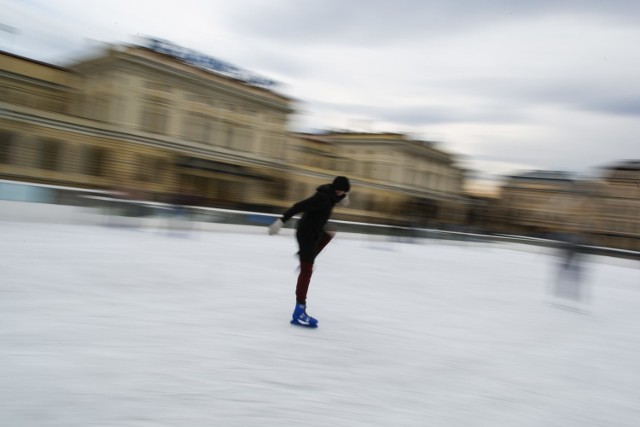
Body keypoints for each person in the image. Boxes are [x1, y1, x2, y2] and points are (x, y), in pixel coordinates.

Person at [268, 176, 351, 327]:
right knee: (307, 271)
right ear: (335, 188)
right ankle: (299, 311)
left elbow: (337, 195)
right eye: (340, 192)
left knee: (330, 231)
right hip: (306, 234)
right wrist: (281, 221)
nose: (341, 194)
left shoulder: (332, 195)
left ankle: (304, 256)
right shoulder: (322, 198)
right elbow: (298, 206)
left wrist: (343, 198)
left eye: (343, 192)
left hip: (314, 231)